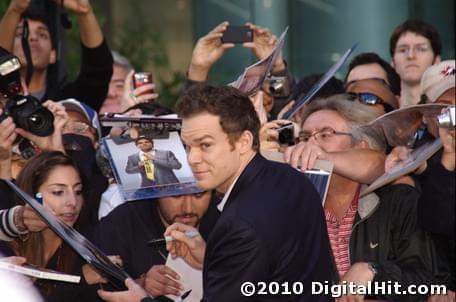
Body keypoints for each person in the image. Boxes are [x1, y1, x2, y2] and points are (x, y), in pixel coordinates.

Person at [98, 84, 336, 302]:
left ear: (244, 142)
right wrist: (212, 258)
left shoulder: (239, 225)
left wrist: (142, 300)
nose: (191, 159)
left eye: (205, 145)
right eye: (189, 146)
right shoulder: (291, 178)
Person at [297, 95, 451, 301]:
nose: (310, 145)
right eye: (304, 137)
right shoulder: (293, 208)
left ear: (361, 147)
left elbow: (426, 279)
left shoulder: (398, 199)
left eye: (326, 135)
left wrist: (373, 273)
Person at [0, 151, 110, 301]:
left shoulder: (90, 249)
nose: (72, 202)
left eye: (78, 191)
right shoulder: (7, 246)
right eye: (58, 192)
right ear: (32, 196)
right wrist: (81, 279)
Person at [93, 190, 220, 299]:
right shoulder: (121, 224)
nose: (188, 208)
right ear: (156, 190)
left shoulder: (226, 221)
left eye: (198, 194)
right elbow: (98, 291)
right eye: (176, 194)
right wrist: (140, 286)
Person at [0, 0, 113, 111]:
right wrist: (15, 10)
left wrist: (85, 12)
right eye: (21, 34)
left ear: (52, 55)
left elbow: (98, 72)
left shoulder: (67, 102)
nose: (33, 38)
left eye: (42, 35)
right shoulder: (3, 101)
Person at [390, 20, 442, 107]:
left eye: (421, 49)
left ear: (436, 60)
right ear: (393, 62)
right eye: (403, 50)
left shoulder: (446, 111)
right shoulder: (383, 114)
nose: (411, 56)